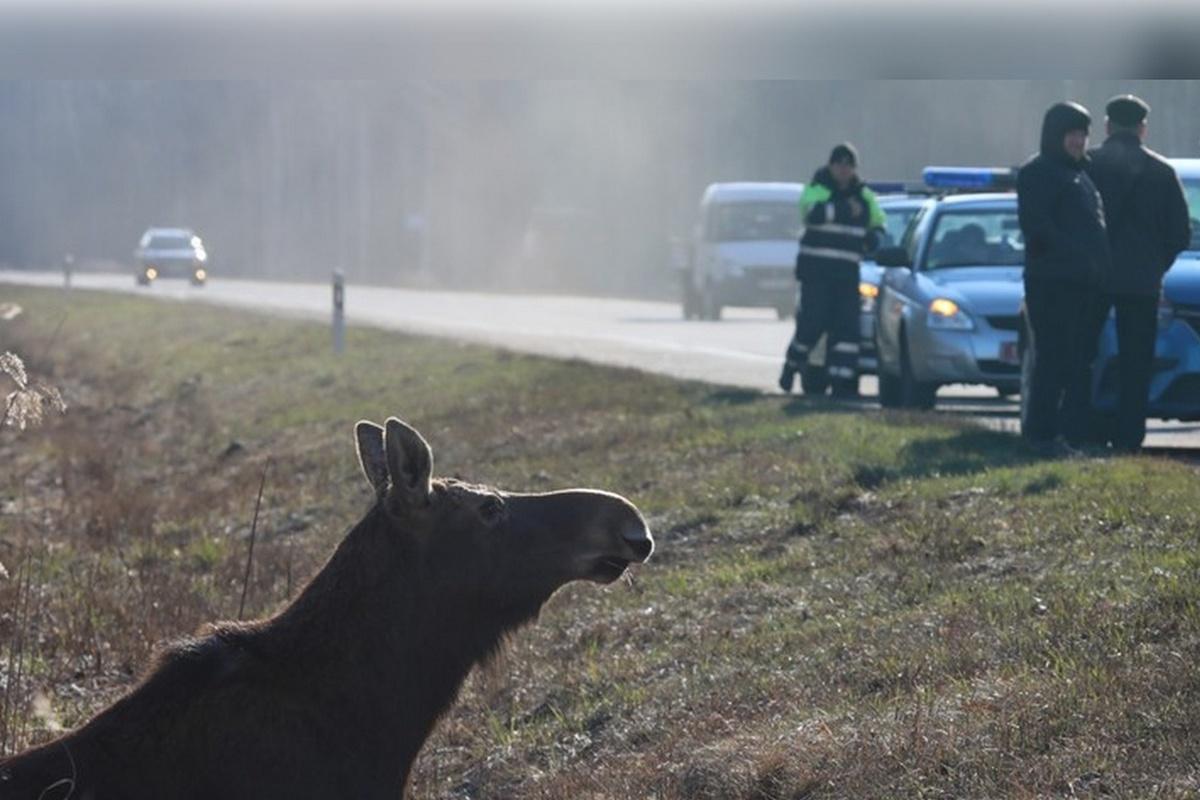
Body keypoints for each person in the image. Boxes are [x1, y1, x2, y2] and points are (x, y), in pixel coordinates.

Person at [1079, 94, 1193, 451]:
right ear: (1143, 128)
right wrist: (1156, 264)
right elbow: (1180, 233)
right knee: (1137, 361)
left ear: (1108, 126)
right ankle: (1129, 436)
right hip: (1142, 283)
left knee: (1081, 355)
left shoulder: (1087, 165)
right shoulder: (1161, 172)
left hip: (1092, 279)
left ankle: (1082, 427)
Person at [1017, 101, 1111, 447]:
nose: (1078, 141)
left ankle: (1073, 435)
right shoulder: (1037, 173)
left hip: (1085, 286)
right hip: (1053, 284)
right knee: (1052, 361)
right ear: (1055, 135)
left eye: (1083, 135)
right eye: (1071, 134)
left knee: (1078, 363)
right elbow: (1038, 229)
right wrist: (1078, 255)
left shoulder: (1081, 175)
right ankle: (1041, 435)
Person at [780, 143, 885, 397]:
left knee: (847, 332)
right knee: (811, 327)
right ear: (830, 166)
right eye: (839, 164)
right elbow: (812, 214)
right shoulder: (817, 188)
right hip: (816, 275)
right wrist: (846, 210)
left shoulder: (864, 196)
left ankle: (842, 384)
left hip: (846, 276)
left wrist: (871, 238)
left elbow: (878, 226)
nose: (844, 169)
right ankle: (791, 365)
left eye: (849, 165)